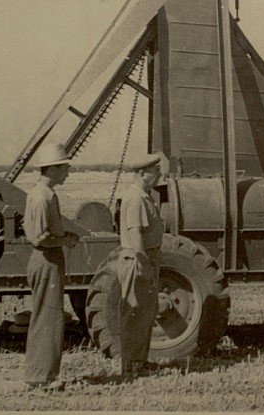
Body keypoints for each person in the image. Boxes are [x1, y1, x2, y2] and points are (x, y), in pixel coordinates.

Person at [23, 142, 78, 391]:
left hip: (48, 258)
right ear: (53, 169)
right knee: (48, 319)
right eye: (64, 167)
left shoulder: (42, 194)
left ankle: (42, 375)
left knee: (50, 318)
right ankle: (41, 378)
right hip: (47, 259)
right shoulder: (42, 197)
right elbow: (40, 237)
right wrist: (65, 239)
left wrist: (63, 235)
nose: (67, 172)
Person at [118, 153, 163, 378]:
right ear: (143, 173)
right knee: (135, 313)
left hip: (145, 259)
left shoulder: (144, 196)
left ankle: (139, 362)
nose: (159, 175)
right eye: (156, 171)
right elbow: (135, 234)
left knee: (145, 312)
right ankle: (132, 366)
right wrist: (144, 264)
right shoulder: (136, 198)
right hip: (138, 261)